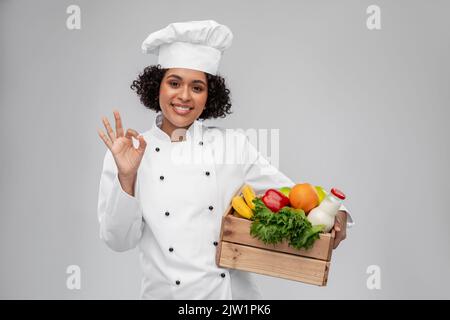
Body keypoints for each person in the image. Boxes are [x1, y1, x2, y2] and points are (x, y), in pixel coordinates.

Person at [96, 20, 352, 300]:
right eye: (174, 83)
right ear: (157, 87)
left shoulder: (232, 146)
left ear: (209, 96)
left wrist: (337, 212)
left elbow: (293, 195)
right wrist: (126, 177)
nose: (184, 96)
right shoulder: (128, 153)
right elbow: (118, 241)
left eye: (197, 87)